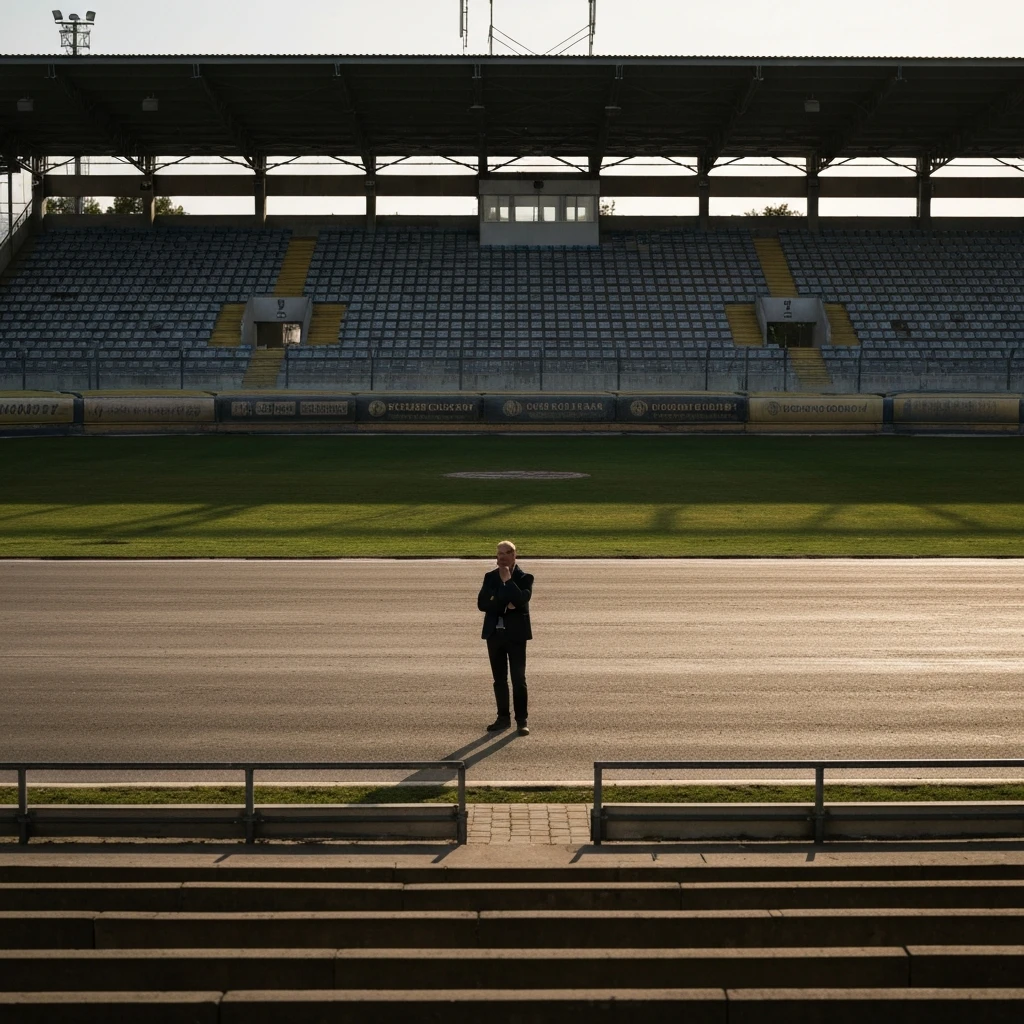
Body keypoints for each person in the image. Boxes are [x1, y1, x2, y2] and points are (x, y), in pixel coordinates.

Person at [477, 540, 533, 736]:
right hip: (494, 636)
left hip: (516, 636)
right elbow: (483, 604)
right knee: (499, 680)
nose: (501, 557)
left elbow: (520, 600)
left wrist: (508, 582)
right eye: (499, 553)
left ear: (514, 555)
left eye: (506, 553)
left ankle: (521, 720)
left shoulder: (525, 577)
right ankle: (502, 718)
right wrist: (504, 603)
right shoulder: (489, 577)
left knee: (519, 679)